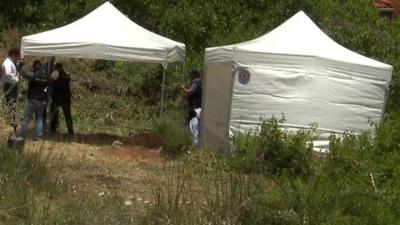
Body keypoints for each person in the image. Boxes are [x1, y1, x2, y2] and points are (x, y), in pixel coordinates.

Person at [18, 60, 49, 139]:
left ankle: (22, 135)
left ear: (34, 66)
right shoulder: (46, 76)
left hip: (33, 99)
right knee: (39, 118)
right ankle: (38, 136)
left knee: (26, 118)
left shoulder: (33, 75)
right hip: (42, 100)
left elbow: (24, 73)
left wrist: (22, 64)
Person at [50, 63, 74, 135]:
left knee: (54, 114)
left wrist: (51, 72)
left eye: (56, 68)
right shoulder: (67, 76)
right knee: (67, 115)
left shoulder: (56, 74)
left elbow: (50, 80)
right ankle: (70, 131)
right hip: (66, 98)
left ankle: (53, 130)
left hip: (57, 97)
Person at [1, 48, 23, 124]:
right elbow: (8, 74)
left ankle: (12, 121)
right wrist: (17, 80)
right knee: (11, 104)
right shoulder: (8, 63)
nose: (18, 57)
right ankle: (10, 122)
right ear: (13, 55)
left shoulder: (12, 62)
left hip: (12, 85)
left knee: (13, 104)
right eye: (17, 55)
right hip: (10, 85)